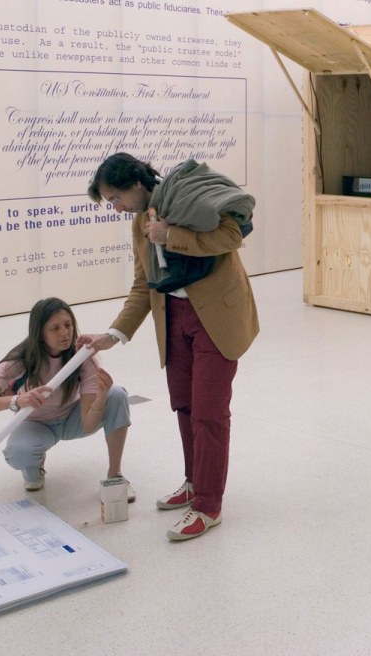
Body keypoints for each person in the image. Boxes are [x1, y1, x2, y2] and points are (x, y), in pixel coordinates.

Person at [80, 153, 259, 542]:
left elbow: (231, 236)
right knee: (186, 405)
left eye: (116, 198)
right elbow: (143, 285)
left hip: (216, 318)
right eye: (110, 202)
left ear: (136, 183)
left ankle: (209, 505)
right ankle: (194, 481)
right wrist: (113, 334)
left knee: (209, 414)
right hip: (174, 319)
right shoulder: (138, 223)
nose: (116, 207)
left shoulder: (189, 198)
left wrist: (169, 235)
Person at [0, 297, 132, 498]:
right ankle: (35, 468)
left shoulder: (83, 356)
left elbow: (88, 425)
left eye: (68, 325)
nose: (64, 333)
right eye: (54, 328)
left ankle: (115, 474)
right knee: (20, 454)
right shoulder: (21, 359)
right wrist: (18, 401)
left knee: (116, 394)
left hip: (72, 417)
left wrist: (101, 397)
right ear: (40, 334)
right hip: (35, 423)